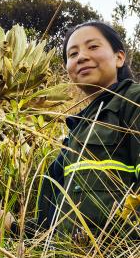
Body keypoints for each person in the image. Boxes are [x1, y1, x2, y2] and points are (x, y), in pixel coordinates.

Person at [10, 21, 140, 240]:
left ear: (119, 57)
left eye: (93, 47)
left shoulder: (133, 100)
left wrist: (117, 238)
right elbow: (49, 223)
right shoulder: (77, 128)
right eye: (72, 54)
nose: (81, 57)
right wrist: (14, 227)